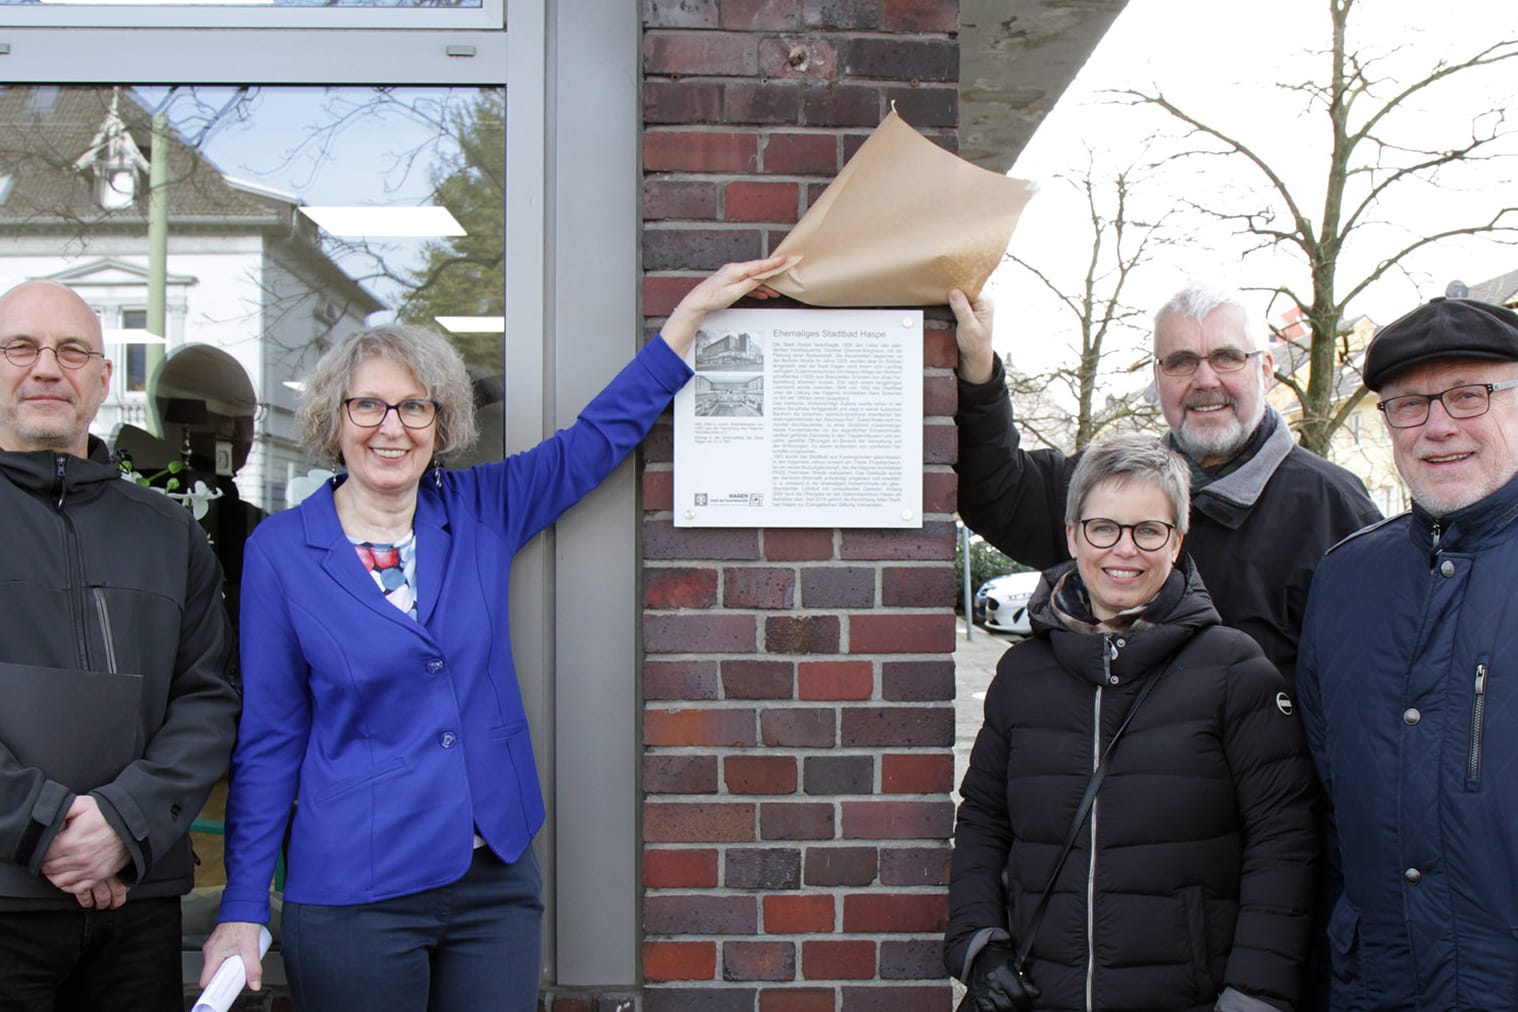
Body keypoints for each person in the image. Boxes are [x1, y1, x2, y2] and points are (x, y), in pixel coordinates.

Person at [201, 256, 788, 1010]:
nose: (392, 428)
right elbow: (271, 738)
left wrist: (690, 318)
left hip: (493, 885)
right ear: (332, 418)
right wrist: (243, 905)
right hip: (355, 893)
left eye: (415, 408)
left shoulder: (478, 509)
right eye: (369, 407)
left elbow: (594, 440)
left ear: (440, 424)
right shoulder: (280, 552)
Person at [945, 433, 1316, 1012]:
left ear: (1177, 542)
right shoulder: (1023, 674)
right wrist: (978, 944)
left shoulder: (1234, 670)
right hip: (1042, 994)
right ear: (1073, 535)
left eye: (1148, 530)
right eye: (1103, 528)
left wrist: (1253, 995)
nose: (1124, 550)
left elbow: (1284, 844)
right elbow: (983, 821)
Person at [0, 280, 240, 1009]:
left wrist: (123, 825)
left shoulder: (167, 533)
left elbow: (209, 698)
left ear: (104, 380)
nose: (47, 368)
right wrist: (48, 831)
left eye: (72, 351)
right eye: (21, 347)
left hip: (136, 909)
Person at [950, 286, 1381, 689]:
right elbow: (998, 492)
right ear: (1158, 379)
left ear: (1266, 371)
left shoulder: (1335, 510)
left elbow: (1367, 688)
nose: (1205, 380)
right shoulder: (1109, 486)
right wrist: (979, 367)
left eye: (1227, 357)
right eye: (1181, 361)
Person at [1295, 297, 1518, 1009]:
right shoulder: (1346, 580)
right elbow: (1330, 797)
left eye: (1468, 395)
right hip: (1381, 987)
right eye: (1409, 405)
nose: (1439, 425)